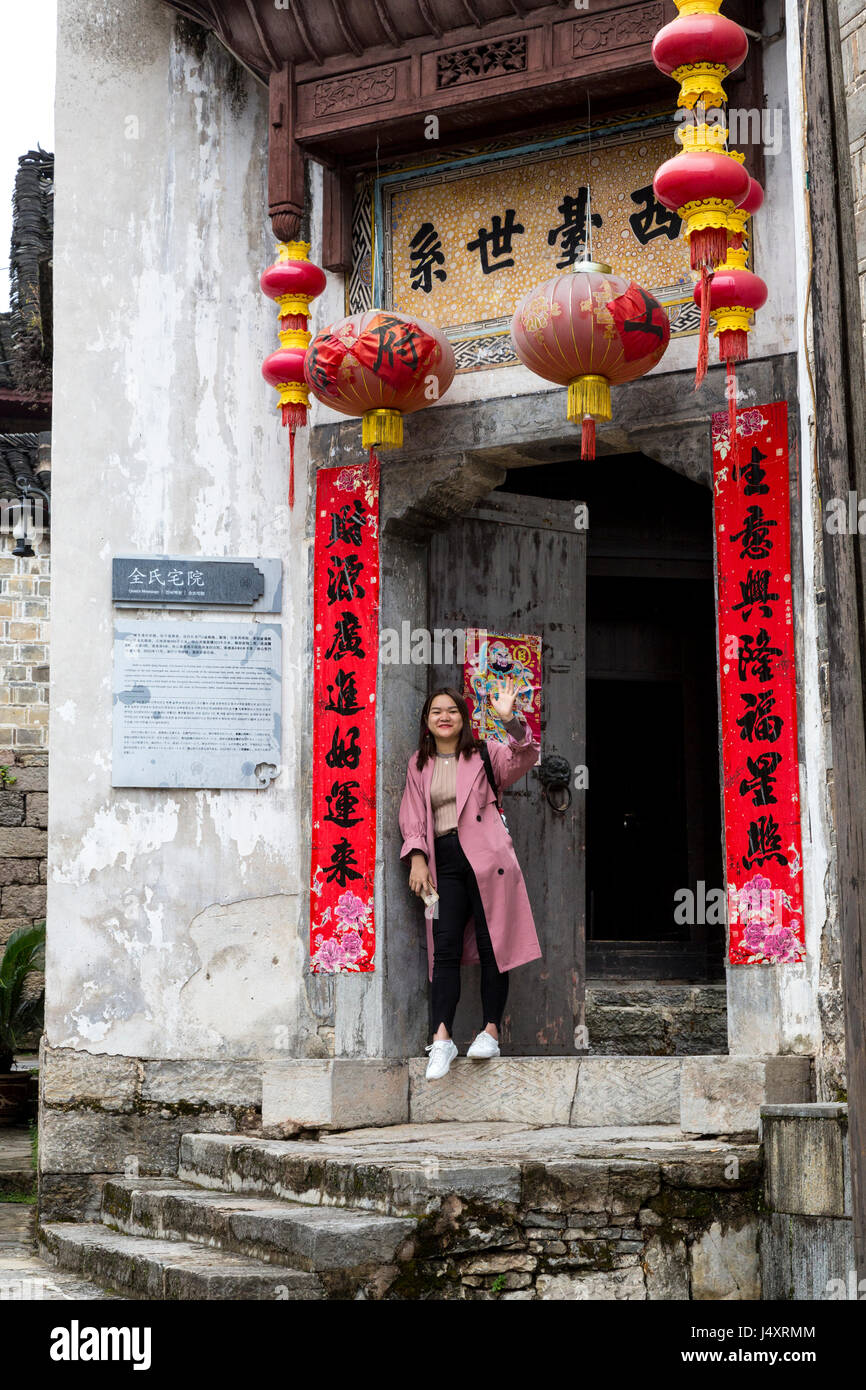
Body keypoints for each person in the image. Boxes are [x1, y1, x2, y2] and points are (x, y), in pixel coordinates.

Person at [398, 678, 542, 1080]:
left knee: (493, 943)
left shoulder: (484, 753)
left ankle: (490, 1031)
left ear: (464, 718)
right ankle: (442, 1039)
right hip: (442, 861)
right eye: (436, 711)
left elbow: (525, 755)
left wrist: (510, 720)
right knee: (443, 947)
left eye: (452, 711)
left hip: (488, 860)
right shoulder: (418, 763)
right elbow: (412, 813)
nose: (444, 717)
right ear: (427, 720)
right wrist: (417, 858)